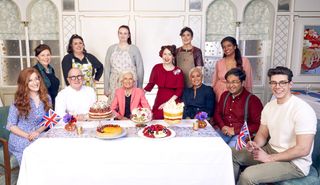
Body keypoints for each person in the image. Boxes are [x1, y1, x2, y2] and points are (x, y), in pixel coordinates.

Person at [233, 66, 317, 184]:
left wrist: (268, 158)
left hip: (294, 162)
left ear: (290, 84)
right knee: (232, 155)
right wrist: (255, 144)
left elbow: (303, 149)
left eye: (282, 82)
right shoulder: (269, 106)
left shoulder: (302, 110)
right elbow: (262, 133)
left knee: (248, 175)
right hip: (271, 149)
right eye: (274, 83)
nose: (277, 87)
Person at [6, 68, 51, 165]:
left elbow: (48, 120)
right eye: (30, 80)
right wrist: (28, 136)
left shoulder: (46, 98)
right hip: (21, 137)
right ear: (24, 83)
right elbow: (11, 125)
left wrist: (38, 131)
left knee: (51, 148)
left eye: (36, 78)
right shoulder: (18, 101)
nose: (35, 82)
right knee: (37, 152)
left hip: (38, 134)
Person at [213, 68, 263, 147]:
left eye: (234, 82)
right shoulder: (224, 95)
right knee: (212, 146)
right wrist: (222, 126)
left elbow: (258, 124)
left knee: (230, 152)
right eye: (228, 82)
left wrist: (235, 130)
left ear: (242, 83)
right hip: (224, 131)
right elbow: (217, 113)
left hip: (241, 134)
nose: (230, 85)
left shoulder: (253, 100)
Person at [104, 25, 144, 103]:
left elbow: (140, 69)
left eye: (125, 33)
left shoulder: (134, 49)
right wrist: (106, 88)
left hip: (130, 82)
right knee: (114, 105)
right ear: (118, 34)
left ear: (129, 35)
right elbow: (107, 68)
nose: (122, 35)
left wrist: (140, 88)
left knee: (129, 105)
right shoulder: (111, 49)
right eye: (120, 33)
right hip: (114, 82)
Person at [144, 45, 184, 119]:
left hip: (173, 101)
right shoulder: (156, 68)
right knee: (157, 121)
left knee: (171, 122)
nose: (167, 57)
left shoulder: (178, 71)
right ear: (161, 55)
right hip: (160, 99)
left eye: (169, 54)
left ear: (173, 56)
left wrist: (167, 103)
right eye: (165, 54)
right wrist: (140, 92)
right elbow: (151, 84)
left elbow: (179, 90)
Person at [212, 36, 253, 102]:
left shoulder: (244, 61)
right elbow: (215, 81)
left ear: (235, 47)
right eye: (224, 47)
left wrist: (246, 96)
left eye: (229, 46)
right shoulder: (219, 63)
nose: (226, 48)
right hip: (220, 93)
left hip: (238, 92)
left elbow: (248, 81)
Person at [33, 44, 60, 109]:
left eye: (48, 55)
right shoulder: (34, 70)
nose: (46, 58)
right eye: (42, 55)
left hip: (53, 104)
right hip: (42, 105)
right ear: (37, 58)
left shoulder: (51, 69)